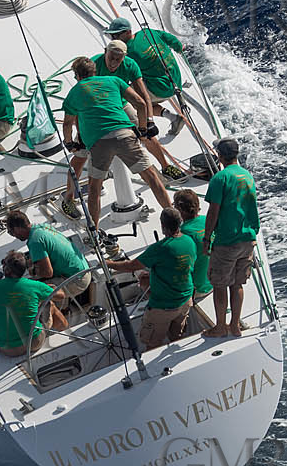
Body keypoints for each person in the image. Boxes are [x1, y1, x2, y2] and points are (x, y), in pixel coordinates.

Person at [60, 56, 172, 239]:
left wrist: (69, 143)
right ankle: (173, 218)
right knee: (151, 177)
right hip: (124, 135)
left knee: (95, 188)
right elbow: (141, 103)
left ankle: (94, 233)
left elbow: (67, 124)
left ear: (77, 75)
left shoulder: (75, 92)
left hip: (99, 143)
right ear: (94, 71)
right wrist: (143, 129)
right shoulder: (113, 80)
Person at [95, 39, 186, 179]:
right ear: (105, 52)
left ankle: (165, 167)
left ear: (124, 58)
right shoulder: (94, 65)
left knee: (146, 133)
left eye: (117, 60)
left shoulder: (130, 65)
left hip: (121, 102)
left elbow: (144, 96)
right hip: (98, 106)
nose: (113, 63)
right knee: (85, 144)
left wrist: (149, 122)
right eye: (111, 58)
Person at [108, 207, 196, 350]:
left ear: (163, 226)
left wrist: (108, 263)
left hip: (163, 308)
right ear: (180, 223)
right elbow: (179, 266)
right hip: (186, 301)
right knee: (177, 338)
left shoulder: (159, 248)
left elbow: (131, 266)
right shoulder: (189, 241)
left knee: (152, 344)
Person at [201, 137, 258, 338]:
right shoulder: (247, 176)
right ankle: (235, 325)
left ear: (220, 155)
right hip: (248, 238)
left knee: (219, 285)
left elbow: (213, 212)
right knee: (237, 284)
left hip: (227, 241)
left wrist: (207, 238)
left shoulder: (220, 178)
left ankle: (220, 327)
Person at [104, 17, 188, 138]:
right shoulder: (148, 32)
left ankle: (172, 118)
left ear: (128, 32)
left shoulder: (128, 52)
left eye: (116, 35)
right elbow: (171, 39)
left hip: (162, 89)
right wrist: (179, 47)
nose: (113, 39)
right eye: (112, 36)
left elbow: (120, 77)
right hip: (176, 82)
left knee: (130, 100)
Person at [0, 250, 66, 356]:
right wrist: (51, 288)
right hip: (35, 342)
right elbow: (61, 296)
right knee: (49, 304)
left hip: (9, 350)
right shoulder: (35, 285)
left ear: (6, 270)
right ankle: (65, 330)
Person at [3, 209, 91, 306]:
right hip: (85, 270)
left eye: (11, 232)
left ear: (17, 229)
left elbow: (48, 273)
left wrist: (33, 272)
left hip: (78, 280)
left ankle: (49, 318)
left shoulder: (34, 242)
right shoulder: (43, 227)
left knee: (31, 292)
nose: (13, 235)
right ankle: (63, 306)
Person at [175, 189, 213, 327]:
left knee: (144, 280)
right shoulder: (208, 220)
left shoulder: (183, 233)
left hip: (200, 289)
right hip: (216, 282)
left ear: (180, 210)